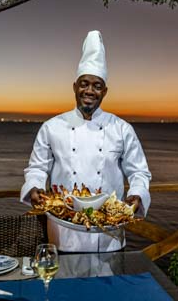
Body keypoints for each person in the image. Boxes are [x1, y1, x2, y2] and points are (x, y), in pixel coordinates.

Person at [20, 30, 151, 252]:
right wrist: (34, 187)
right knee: (64, 285)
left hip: (108, 233)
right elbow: (37, 168)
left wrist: (137, 194)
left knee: (109, 286)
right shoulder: (51, 127)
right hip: (63, 231)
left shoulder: (121, 128)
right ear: (74, 87)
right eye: (84, 84)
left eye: (96, 86)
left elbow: (139, 172)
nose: (89, 91)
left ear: (105, 91)